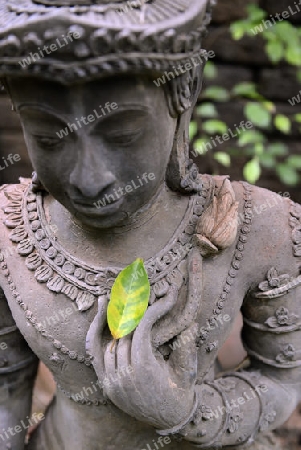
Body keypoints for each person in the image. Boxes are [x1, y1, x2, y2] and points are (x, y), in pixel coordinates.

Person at [0, 1, 300, 449]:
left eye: (122, 136)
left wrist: (184, 410)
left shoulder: (262, 224)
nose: (88, 178)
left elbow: (282, 379)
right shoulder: (10, 231)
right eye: (49, 137)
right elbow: (6, 390)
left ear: (184, 90)